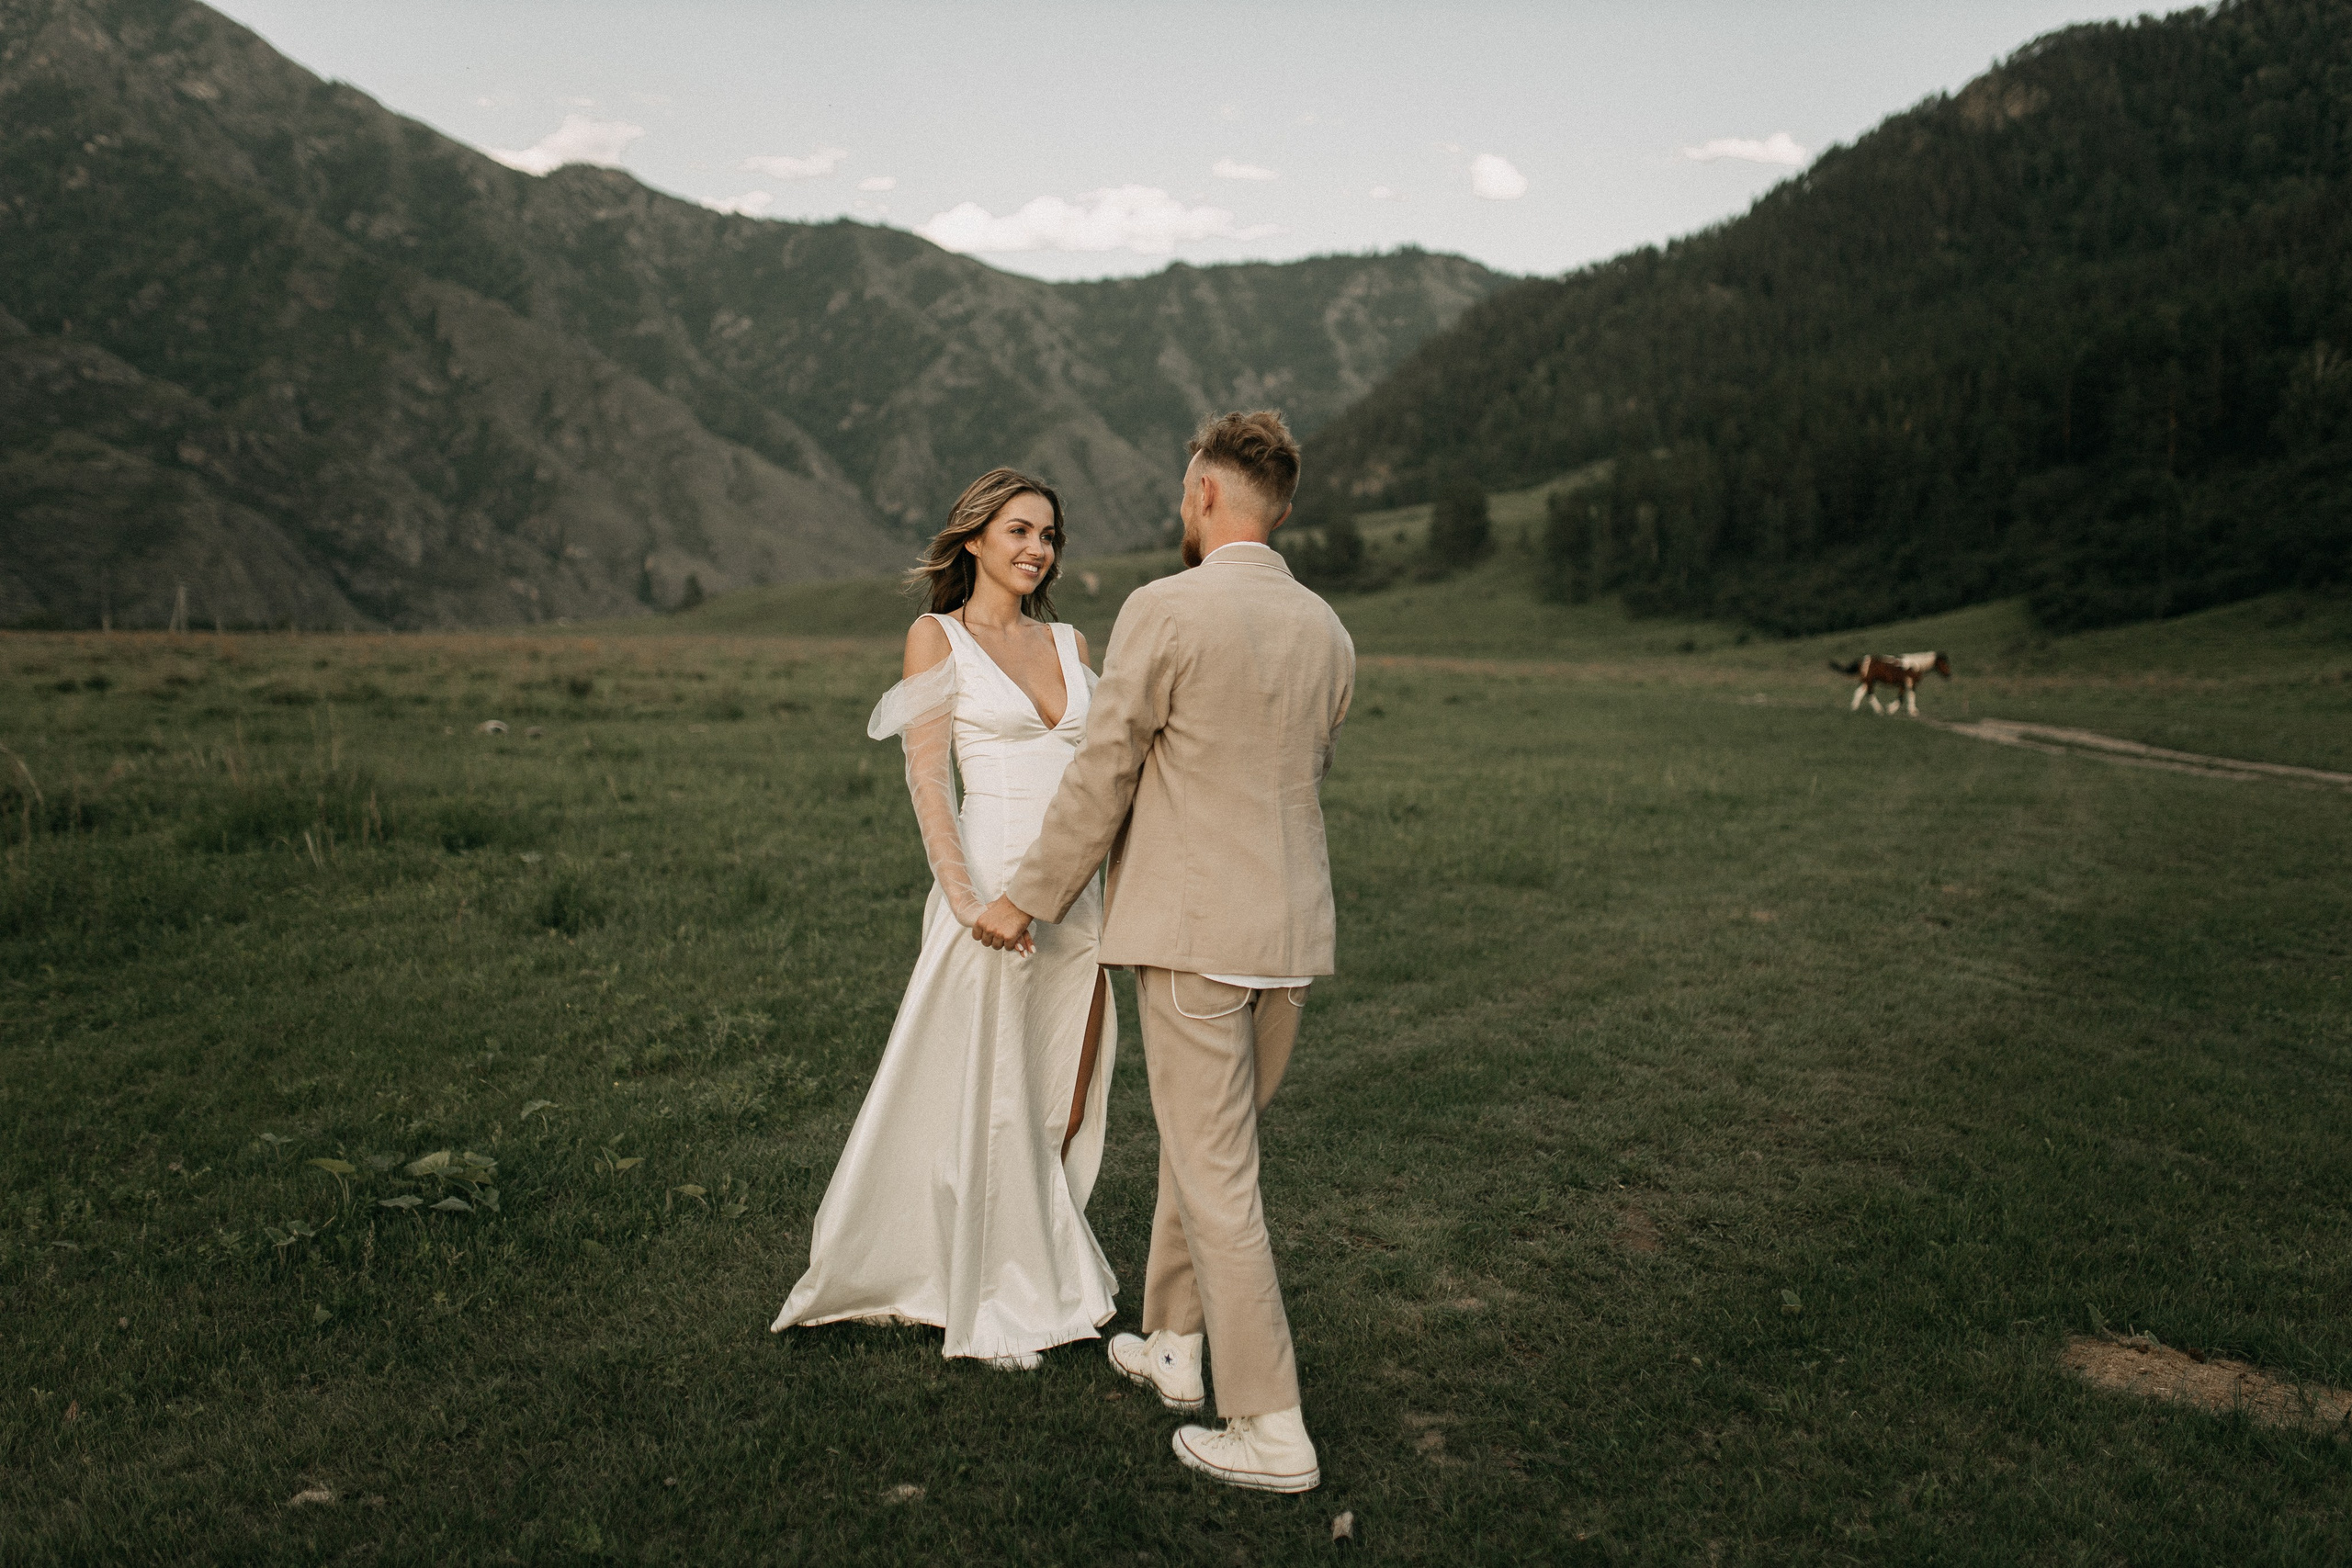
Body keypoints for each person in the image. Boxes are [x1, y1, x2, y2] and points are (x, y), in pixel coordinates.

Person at [973, 410, 1354, 1494]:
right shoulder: (1328, 627)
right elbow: (1305, 766)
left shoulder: (1165, 608)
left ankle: (1272, 1428)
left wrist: (1027, 899)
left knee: (1220, 1180)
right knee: (1214, 1154)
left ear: (1202, 494)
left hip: (1194, 939)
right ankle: (1175, 1346)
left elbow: (1105, 772)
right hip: (1290, 941)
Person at [771, 468, 1118, 1371]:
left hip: (1079, 896)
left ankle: (1041, 1266)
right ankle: (986, 1288)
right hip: (991, 893)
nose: (1036, 548)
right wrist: (966, 903)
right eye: (1017, 530)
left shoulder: (1074, 642)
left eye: (1048, 534)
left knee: (1055, 1094)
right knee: (989, 1089)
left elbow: (1104, 774)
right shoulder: (936, 640)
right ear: (973, 539)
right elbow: (929, 782)